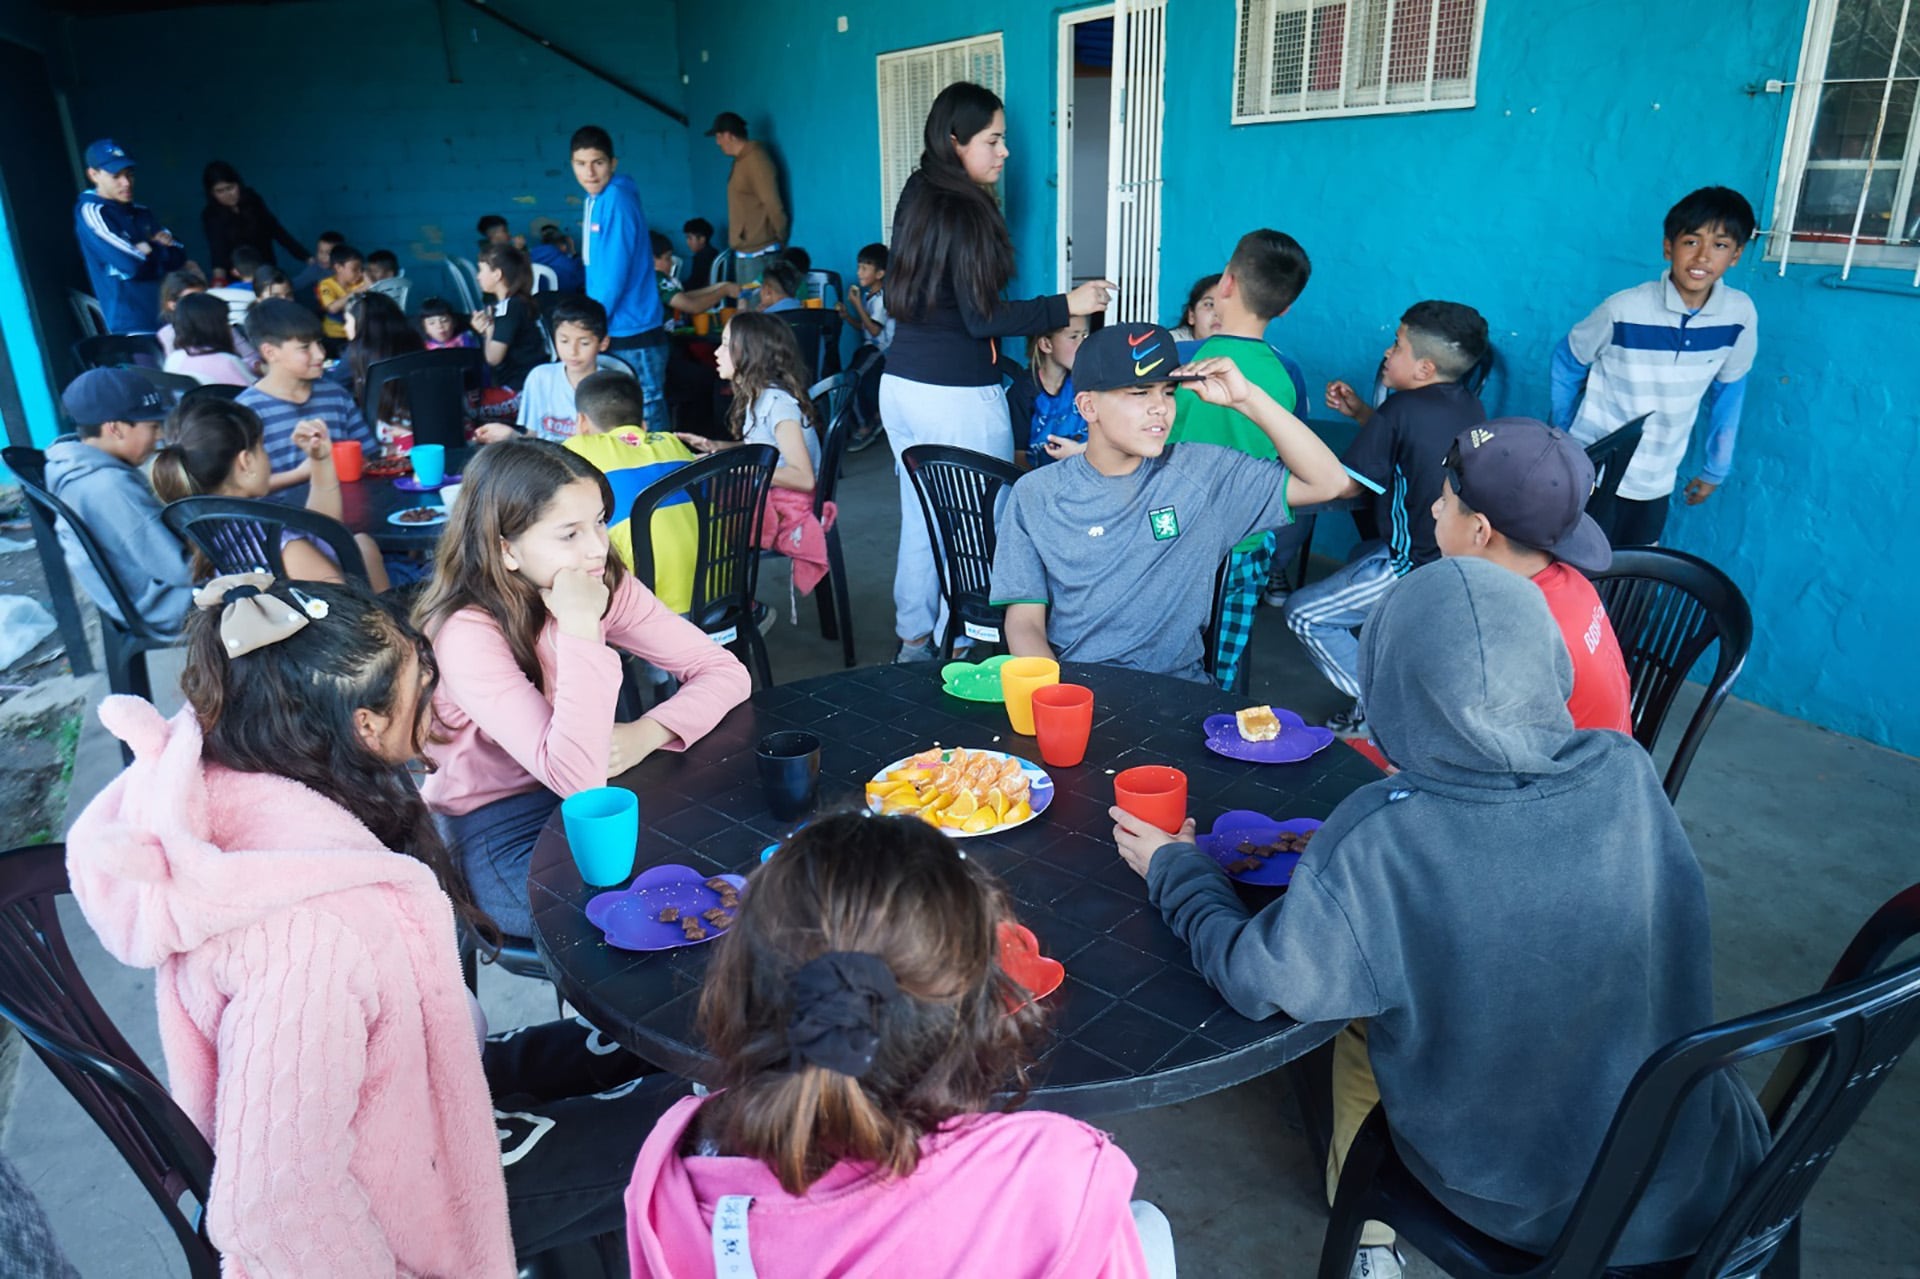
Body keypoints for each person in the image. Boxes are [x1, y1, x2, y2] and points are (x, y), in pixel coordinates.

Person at [1109, 557, 1768, 1279]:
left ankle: (1370, 1242)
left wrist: (1177, 868)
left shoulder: (1386, 837)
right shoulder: (1624, 769)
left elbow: (1257, 981)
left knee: (1360, 1016)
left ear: (1386, 688)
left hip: (1525, 1202)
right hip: (1703, 1161)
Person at [67, 575, 686, 1274]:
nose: (439, 696)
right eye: (424, 681)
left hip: (407, 1093)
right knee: (708, 1123)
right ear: (365, 725)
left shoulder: (249, 778)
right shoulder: (311, 937)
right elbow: (273, 1207)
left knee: (658, 1046)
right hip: (406, 1196)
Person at [625, 812, 1176, 1278]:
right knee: (1147, 1225)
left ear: (739, 995)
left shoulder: (670, 1174)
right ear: (978, 1014)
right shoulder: (1058, 1173)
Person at [415, 440, 751, 935]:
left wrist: (649, 732)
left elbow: (724, 671)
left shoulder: (598, 579)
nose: (597, 547)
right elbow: (578, 781)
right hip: (499, 822)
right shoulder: (466, 632)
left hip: (600, 784)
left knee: (716, 872)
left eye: (599, 521)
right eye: (569, 533)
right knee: (628, 922)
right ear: (506, 549)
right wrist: (578, 626)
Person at [884, 81, 1114, 662]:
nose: (1004, 152)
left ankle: (916, 638)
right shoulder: (966, 209)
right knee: (979, 523)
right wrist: (1067, 304)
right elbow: (982, 317)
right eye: (993, 140)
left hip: (902, 385)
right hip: (954, 395)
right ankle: (967, 639)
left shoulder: (919, 190)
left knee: (922, 515)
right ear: (955, 141)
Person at [989, 323, 1346, 683]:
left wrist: (1247, 399)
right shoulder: (1037, 493)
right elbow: (1024, 621)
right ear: (1088, 406)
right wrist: (1056, 695)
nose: (1160, 407)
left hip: (1176, 692)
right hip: (1075, 687)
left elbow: (1328, 482)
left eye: (1169, 392)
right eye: (1140, 393)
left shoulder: (1203, 474)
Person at [1282, 300, 1490, 739]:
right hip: (1455, 559)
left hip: (1413, 565)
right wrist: (1363, 413)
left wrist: (1281, 471)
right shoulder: (1468, 405)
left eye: (1397, 345)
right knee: (1362, 555)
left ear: (1424, 368)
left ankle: (1387, 711)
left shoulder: (1399, 411)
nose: (1386, 353)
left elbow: (1344, 485)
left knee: (1304, 615)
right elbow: (1409, 439)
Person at [1553, 186, 1759, 547]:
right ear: (1668, 247)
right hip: (1592, 470)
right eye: (1691, 241)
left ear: (1736, 255)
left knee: (1635, 567)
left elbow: (1730, 392)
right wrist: (1562, 434)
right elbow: (1568, 361)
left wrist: (1716, 467)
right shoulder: (1623, 309)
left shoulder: (1739, 315)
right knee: (1577, 563)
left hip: (1657, 478)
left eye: (1720, 245)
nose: (1703, 256)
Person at [1167, 230, 1312, 692]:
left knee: (1165, 655)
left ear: (1225, 284)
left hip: (1171, 541)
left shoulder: (1182, 363)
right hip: (1245, 546)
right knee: (1221, 668)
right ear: (1286, 308)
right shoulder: (1287, 375)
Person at [1431, 418, 1633, 733]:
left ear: (1479, 530)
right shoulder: (1571, 581)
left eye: (1445, 502)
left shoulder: (1501, 643)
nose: (1435, 509)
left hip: (1544, 765)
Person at [152, 395, 392, 592]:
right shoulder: (281, 544)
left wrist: (321, 461)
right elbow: (347, 612)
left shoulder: (217, 532)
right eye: (261, 447)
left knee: (362, 544)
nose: (266, 457)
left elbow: (322, 531)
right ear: (246, 462)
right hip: (330, 633)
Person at [44, 368, 192, 631]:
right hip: (166, 604)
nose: (159, 436)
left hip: (140, 597)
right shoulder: (110, 486)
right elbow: (182, 570)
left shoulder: (73, 465)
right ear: (115, 428)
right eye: (153, 427)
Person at [563, 372, 698, 613]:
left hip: (647, 614)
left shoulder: (578, 450)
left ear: (581, 422)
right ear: (643, 423)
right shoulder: (673, 443)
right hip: (715, 599)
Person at [571, 124, 670, 433]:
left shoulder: (617, 198)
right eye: (581, 164)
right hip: (613, 326)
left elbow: (614, 275)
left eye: (598, 162)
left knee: (647, 411)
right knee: (621, 418)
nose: (589, 172)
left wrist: (591, 325)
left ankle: (666, 466)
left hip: (633, 330)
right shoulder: (596, 199)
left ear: (613, 163)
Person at [238, 298, 378, 498]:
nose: (320, 354)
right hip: (282, 516)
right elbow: (241, 489)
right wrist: (302, 473)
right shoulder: (247, 410)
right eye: (305, 347)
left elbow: (368, 455)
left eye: (319, 343)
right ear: (270, 352)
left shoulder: (336, 395)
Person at [676, 311, 817, 493]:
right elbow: (764, 447)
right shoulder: (760, 396)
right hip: (771, 496)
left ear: (751, 353)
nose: (717, 352)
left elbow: (804, 479)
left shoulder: (778, 405)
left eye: (726, 344)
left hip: (791, 505)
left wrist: (732, 464)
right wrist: (718, 448)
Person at [73, 138, 188, 333]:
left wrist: (147, 250)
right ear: (94, 175)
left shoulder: (141, 212)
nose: (126, 183)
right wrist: (158, 249)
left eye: (129, 175)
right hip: (133, 325)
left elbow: (179, 255)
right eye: (116, 176)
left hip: (169, 318)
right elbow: (132, 266)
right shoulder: (93, 212)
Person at [494, 295, 628, 443]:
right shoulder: (540, 378)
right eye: (564, 341)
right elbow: (532, 435)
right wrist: (510, 435)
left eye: (584, 343)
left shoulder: (612, 388)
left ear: (603, 343)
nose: (572, 351)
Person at [705, 111, 788, 281]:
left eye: (719, 137)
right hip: (745, 252)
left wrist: (781, 236)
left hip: (761, 253)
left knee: (758, 299)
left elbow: (773, 203)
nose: (717, 142)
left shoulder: (756, 159)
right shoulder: (741, 160)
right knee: (745, 298)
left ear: (729, 135)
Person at [342, 291, 426, 453]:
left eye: (347, 321)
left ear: (360, 322)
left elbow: (340, 385)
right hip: (427, 427)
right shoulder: (414, 339)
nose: (344, 327)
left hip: (387, 440)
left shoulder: (357, 351)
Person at [199, 160, 308, 281]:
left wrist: (307, 258)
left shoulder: (253, 200)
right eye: (220, 191)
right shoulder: (211, 215)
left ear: (238, 184)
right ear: (211, 193)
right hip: (239, 276)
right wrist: (219, 282)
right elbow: (218, 252)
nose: (227, 194)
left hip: (266, 271)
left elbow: (277, 232)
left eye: (230, 188)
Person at [1006, 317, 1089, 469]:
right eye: (1073, 337)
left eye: (1084, 336)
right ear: (1046, 344)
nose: (1083, 344)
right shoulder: (1022, 393)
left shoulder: (1087, 384)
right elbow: (1018, 458)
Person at [471, 242, 547, 392]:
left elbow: (493, 358)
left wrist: (488, 330)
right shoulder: (520, 301)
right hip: (534, 381)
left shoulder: (509, 308)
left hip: (519, 389)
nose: (478, 277)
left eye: (481, 270)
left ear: (497, 274)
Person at [843, 242, 893, 450]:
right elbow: (864, 326)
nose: (859, 273)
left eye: (865, 268)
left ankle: (866, 426)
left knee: (852, 379)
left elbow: (874, 331)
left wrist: (856, 305)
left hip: (880, 350)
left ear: (880, 273)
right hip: (868, 348)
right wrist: (848, 316)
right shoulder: (868, 295)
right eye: (859, 267)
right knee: (854, 379)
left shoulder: (882, 298)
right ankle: (874, 417)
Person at [162, 292, 254, 387]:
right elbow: (257, 392)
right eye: (225, 320)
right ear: (216, 326)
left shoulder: (173, 359)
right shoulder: (228, 362)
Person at [652, 229, 741, 317]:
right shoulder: (657, 278)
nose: (671, 263)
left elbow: (683, 297)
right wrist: (724, 290)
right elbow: (692, 306)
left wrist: (720, 287)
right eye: (667, 258)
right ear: (652, 259)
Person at [316, 243, 369, 342]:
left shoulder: (359, 283)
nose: (360, 273)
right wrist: (357, 292)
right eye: (355, 269)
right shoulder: (326, 285)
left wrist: (367, 276)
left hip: (356, 333)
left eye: (361, 269)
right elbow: (332, 308)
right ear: (338, 268)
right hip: (334, 335)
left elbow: (372, 289)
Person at [154, 268, 210, 357]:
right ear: (172, 305)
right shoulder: (168, 334)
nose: (199, 304)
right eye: (190, 300)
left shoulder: (220, 327)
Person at [529, 216, 586, 293]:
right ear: (563, 246)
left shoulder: (529, 257)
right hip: (562, 298)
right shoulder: (567, 264)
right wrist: (574, 253)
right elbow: (582, 280)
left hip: (534, 298)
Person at [291, 230, 344, 308]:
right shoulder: (315, 269)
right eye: (320, 251)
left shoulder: (346, 268)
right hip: (323, 308)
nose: (322, 257)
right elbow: (294, 284)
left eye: (328, 253)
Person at [1169, 273, 1222, 343]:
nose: (1218, 313)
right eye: (1209, 304)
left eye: (1227, 307)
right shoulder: (1169, 345)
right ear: (1192, 316)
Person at [682, 215, 719, 288]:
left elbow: (695, 284)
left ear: (702, 239)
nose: (687, 242)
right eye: (687, 238)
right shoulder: (713, 252)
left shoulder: (702, 257)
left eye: (690, 238)